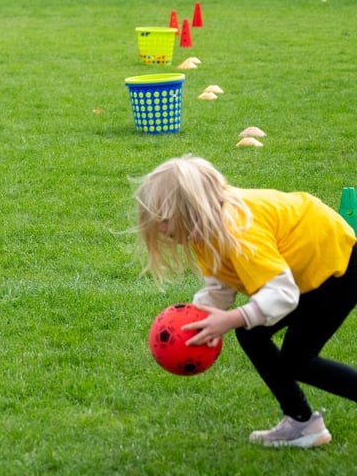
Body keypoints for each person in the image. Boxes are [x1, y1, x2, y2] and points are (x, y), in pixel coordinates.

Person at [134, 155, 357, 448]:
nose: (160, 229)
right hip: (302, 273)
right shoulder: (203, 230)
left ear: (190, 207)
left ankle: (304, 425)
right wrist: (200, 319)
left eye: (164, 219)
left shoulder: (239, 228)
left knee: (298, 361)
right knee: (252, 334)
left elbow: (281, 294)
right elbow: (220, 285)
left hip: (336, 268)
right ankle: (301, 422)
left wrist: (229, 319)